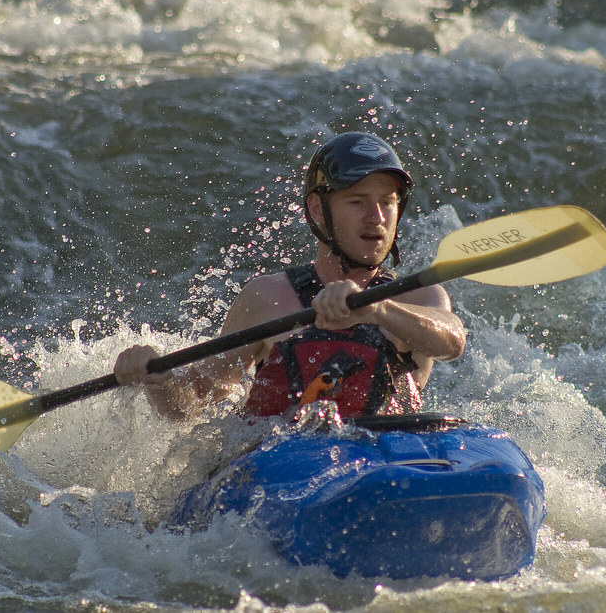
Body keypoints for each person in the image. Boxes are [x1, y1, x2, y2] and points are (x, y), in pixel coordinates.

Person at [114, 132, 466, 420]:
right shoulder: (267, 298)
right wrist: (159, 381)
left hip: (386, 465)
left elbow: (451, 342)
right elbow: (191, 405)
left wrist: (376, 310)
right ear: (318, 209)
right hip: (284, 472)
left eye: (387, 202)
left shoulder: (417, 298)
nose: (376, 217)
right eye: (357, 202)